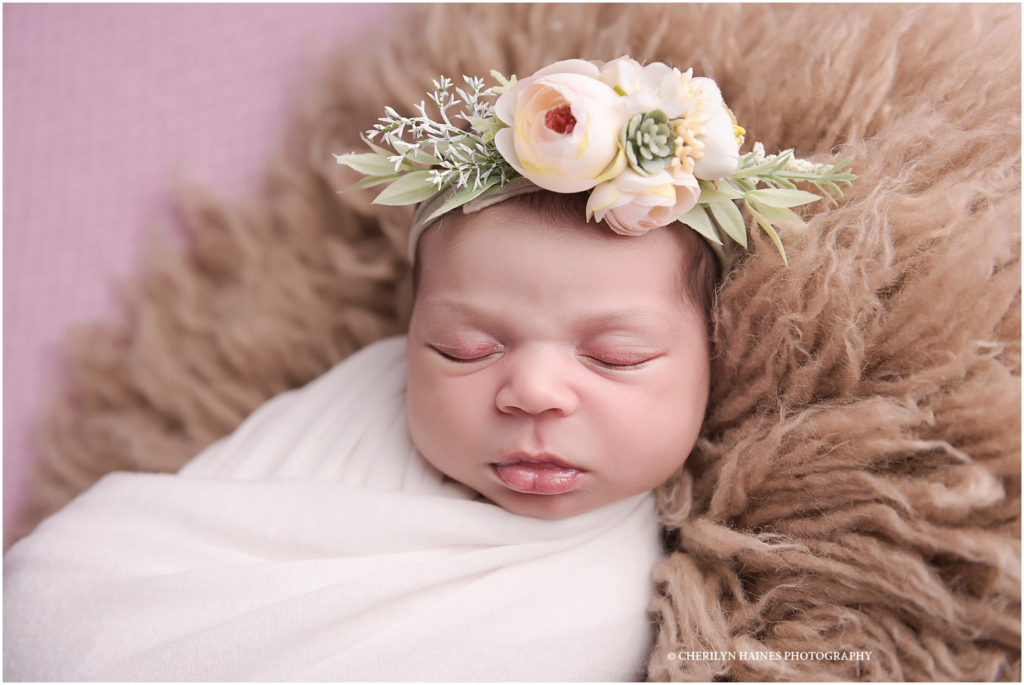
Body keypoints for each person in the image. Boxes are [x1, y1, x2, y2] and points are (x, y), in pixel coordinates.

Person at [3, 56, 848, 681]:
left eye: (613, 356)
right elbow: (111, 574)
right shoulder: (354, 404)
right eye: (465, 349)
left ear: (714, 357)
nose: (532, 392)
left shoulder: (638, 605)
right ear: (410, 340)